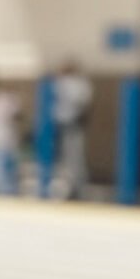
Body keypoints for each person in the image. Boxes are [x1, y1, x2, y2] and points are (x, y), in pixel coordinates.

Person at [47, 62, 94, 200]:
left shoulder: (76, 83)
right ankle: (67, 188)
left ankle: (75, 189)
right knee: (64, 159)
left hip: (71, 125)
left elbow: (83, 105)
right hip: (59, 126)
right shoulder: (63, 82)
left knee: (73, 159)